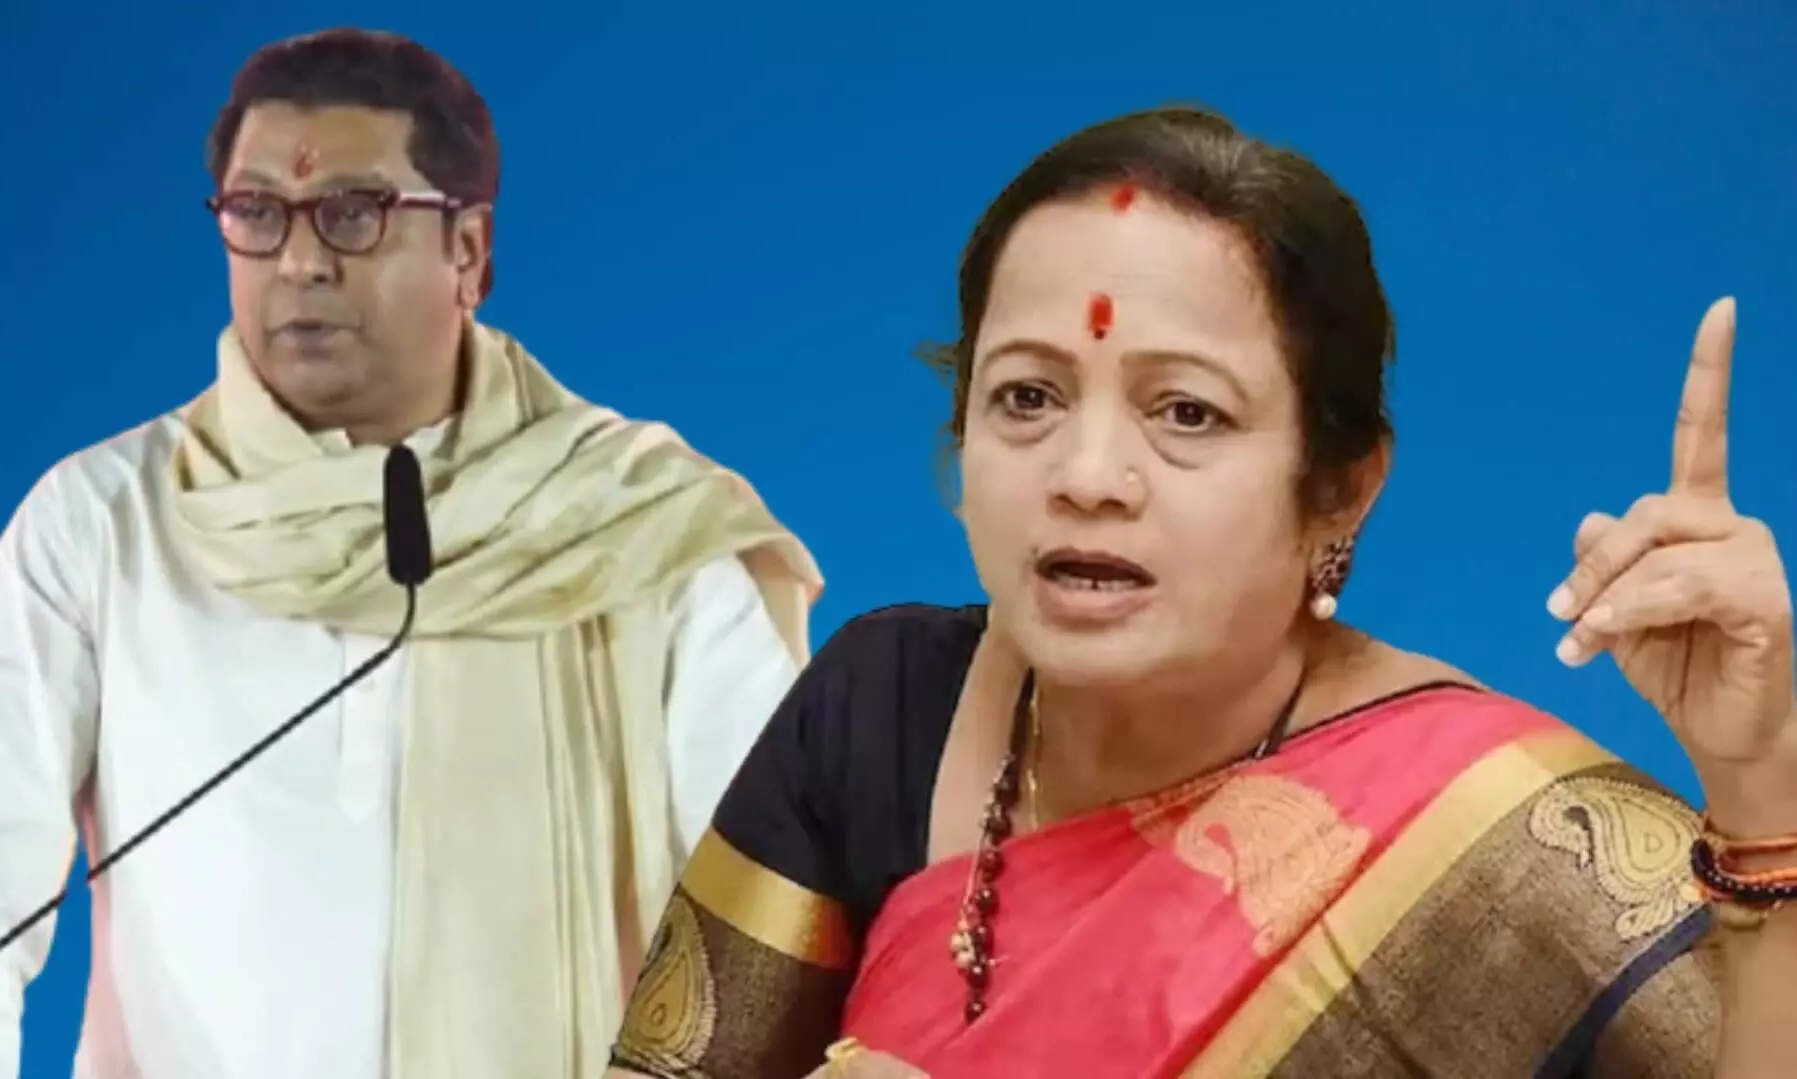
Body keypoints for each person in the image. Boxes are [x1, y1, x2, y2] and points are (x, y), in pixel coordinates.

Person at [606, 106, 1795, 1079]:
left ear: (1339, 488)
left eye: (1187, 411)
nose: (1086, 476)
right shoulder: (876, 707)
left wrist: (1766, 788)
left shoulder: (1508, 838)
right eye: (1028, 396)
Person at [0, 28, 821, 1079]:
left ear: (467, 250)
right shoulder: (101, 525)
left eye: (353, 212)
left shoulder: (636, 526)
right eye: (257, 213)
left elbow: (768, 923)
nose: (300, 260)